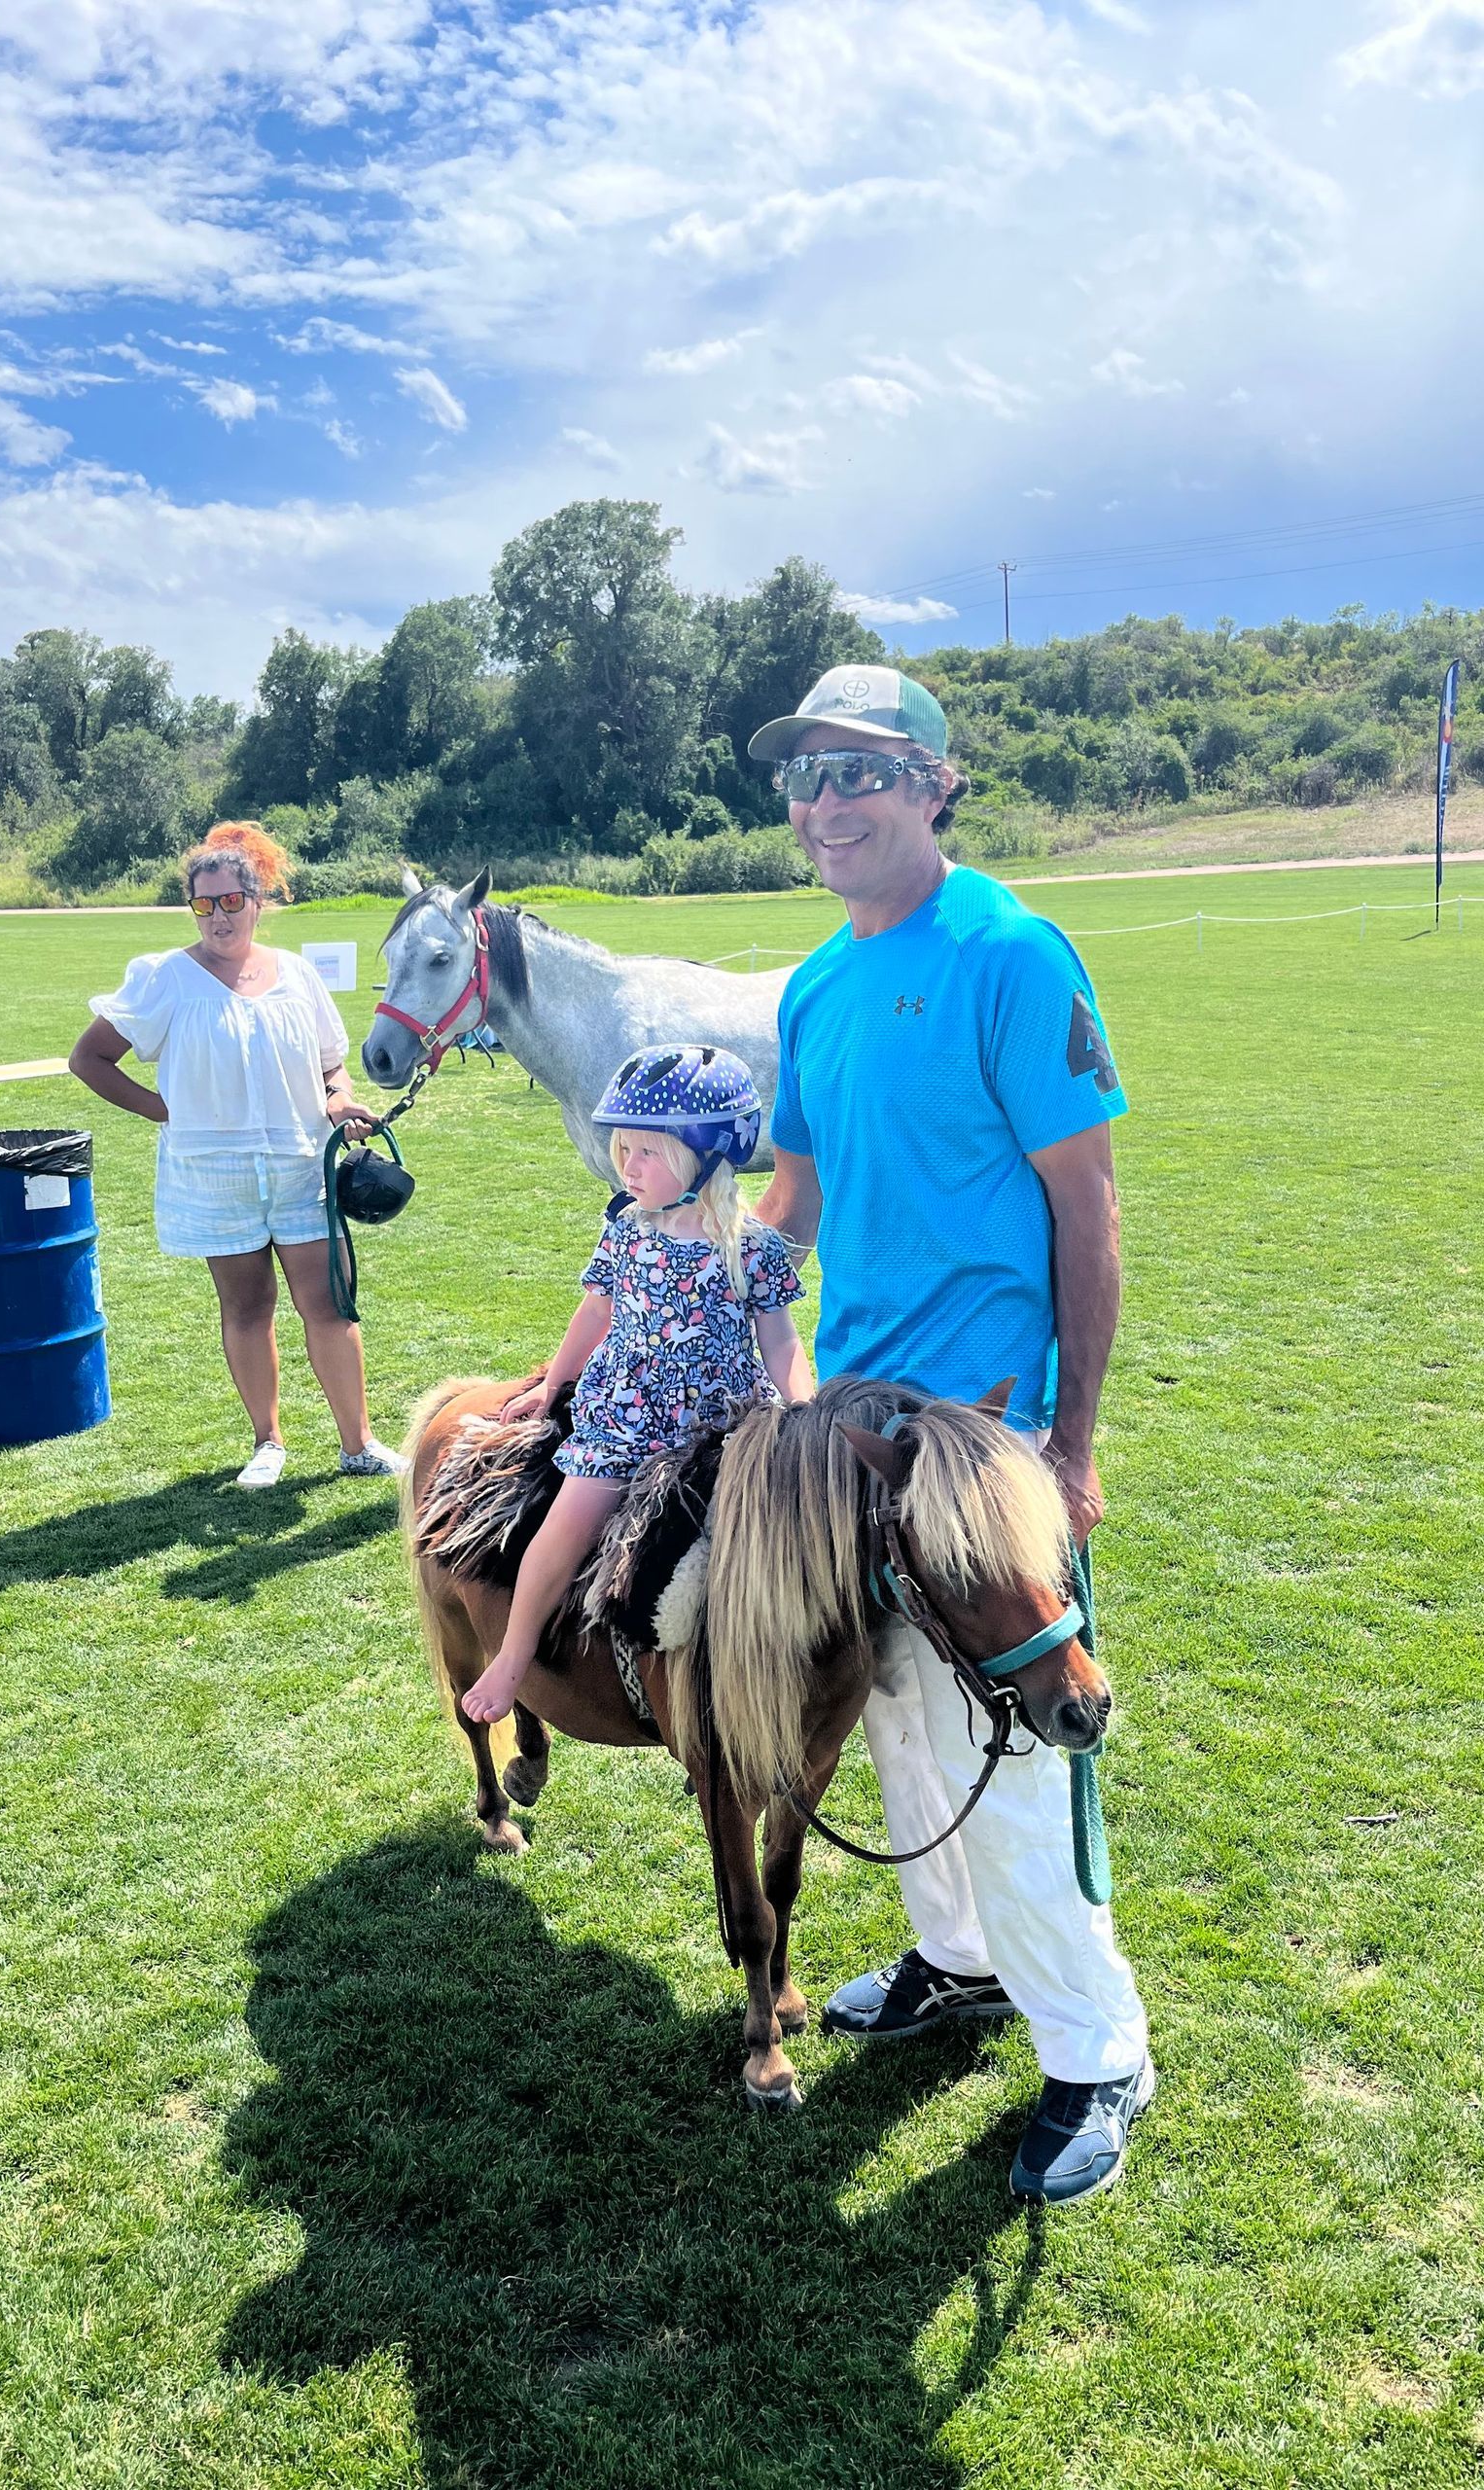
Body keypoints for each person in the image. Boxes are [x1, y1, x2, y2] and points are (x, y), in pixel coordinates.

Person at [747, 664, 1152, 2207]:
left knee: (1025, 1742)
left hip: (991, 1434)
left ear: (936, 784)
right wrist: (718, 1267)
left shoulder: (1009, 951)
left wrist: (1079, 1442)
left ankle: (1099, 2049)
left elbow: (1084, 1204)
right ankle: (957, 1963)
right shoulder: (812, 984)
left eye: (861, 775)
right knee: (899, 1715)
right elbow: (799, 1195)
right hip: (853, 1426)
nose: (827, 805)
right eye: (806, 780)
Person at [461, 1046, 812, 1725]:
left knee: (779, 1528)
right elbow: (595, 1311)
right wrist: (552, 1384)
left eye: (646, 1152)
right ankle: (512, 1656)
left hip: (724, 1417)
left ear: (706, 1154)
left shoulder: (753, 1246)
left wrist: (801, 1403)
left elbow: (778, 1336)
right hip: (626, 1416)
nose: (628, 1166)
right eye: (622, 1150)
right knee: (564, 1525)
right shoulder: (626, 1230)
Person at [69, 819, 403, 1489]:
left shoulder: (299, 976)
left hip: (300, 1166)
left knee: (329, 1305)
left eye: (230, 902)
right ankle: (268, 1442)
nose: (218, 917)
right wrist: (165, 1112)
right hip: (213, 1174)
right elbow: (89, 1059)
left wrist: (340, 1101)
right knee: (247, 1308)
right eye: (203, 904)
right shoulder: (162, 978)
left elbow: (331, 1066)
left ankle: (358, 1444)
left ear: (257, 903)